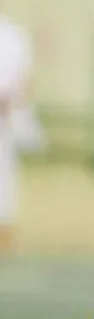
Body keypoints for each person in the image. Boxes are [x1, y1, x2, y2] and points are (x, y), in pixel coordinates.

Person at [0, 13, 39, 255]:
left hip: (7, 114)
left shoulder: (13, 36)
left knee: (5, 175)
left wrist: (12, 102)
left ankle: (5, 230)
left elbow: (24, 80)